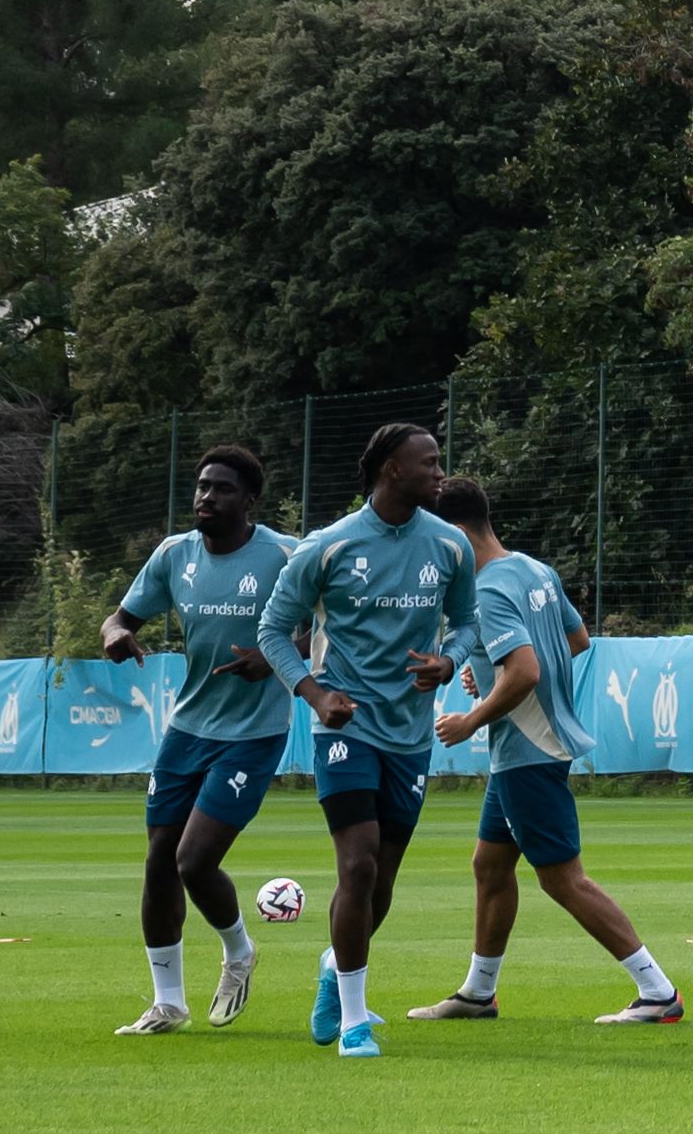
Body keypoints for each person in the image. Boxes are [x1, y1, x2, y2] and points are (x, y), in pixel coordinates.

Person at [408, 478, 679, 1026]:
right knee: (489, 865)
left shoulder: (483, 591)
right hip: (530, 747)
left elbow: (527, 669)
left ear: (456, 535)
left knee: (562, 878)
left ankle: (658, 991)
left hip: (528, 750)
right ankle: (478, 993)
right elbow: (575, 640)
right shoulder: (533, 569)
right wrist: (487, 668)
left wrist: (472, 718)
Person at [256, 421, 471, 1058]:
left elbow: (467, 621)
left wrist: (450, 661)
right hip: (344, 729)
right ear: (391, 471)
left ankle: (334, 966)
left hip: (410, 737)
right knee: (358, 863)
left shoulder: (451, 545)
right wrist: (316, 694)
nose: (440, 473)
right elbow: (274, 631)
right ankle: (353, 1022)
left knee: (380, 888)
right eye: (429, 463)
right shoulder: (327, 546)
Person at [106, 443, 293, 1035]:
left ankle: (238, 952)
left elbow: (324, 627)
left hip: (254, 732)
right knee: (160, 861)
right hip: (187, 729)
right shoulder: (173, 555)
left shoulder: (285, 555)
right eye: (202, 486)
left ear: (250, 501)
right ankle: (168, 1003)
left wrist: (277, 656)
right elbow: (120, 618)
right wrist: (114, 635)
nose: (206, 496)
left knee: (194, 858)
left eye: (222, 488)